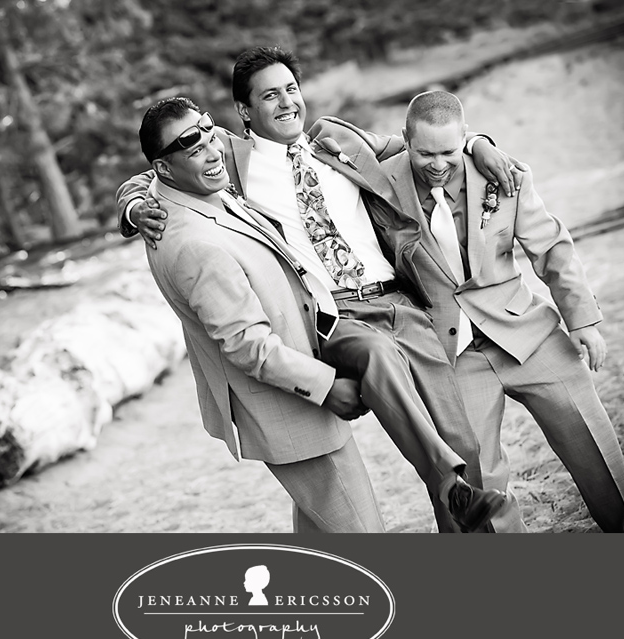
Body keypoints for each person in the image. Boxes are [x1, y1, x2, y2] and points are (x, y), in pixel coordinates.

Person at [118, 47, 518, 532]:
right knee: (377, 360)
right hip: (333, 315)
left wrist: (478, 143)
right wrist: (133, 208)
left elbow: (423, 144)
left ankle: (462, 506)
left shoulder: (336, 138)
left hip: (397, 300)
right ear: (244, 111)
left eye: (291, 89)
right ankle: (448, 483)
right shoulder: (227, 157)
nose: (287, 102)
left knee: (461, 440)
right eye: (270, 95)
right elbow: (152, 172)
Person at [310, 90, 624, 532]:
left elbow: (551, 248)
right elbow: (326, 131)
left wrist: (584, 320)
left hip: (527, 333)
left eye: (449, 151)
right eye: (424, 153)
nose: (438, 164)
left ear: (463, 138)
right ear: (405, 139)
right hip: (450, 356)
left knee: (593, 443)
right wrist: (473, 141)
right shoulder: (382, 178)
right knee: (478, 480)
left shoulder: (503, 175)